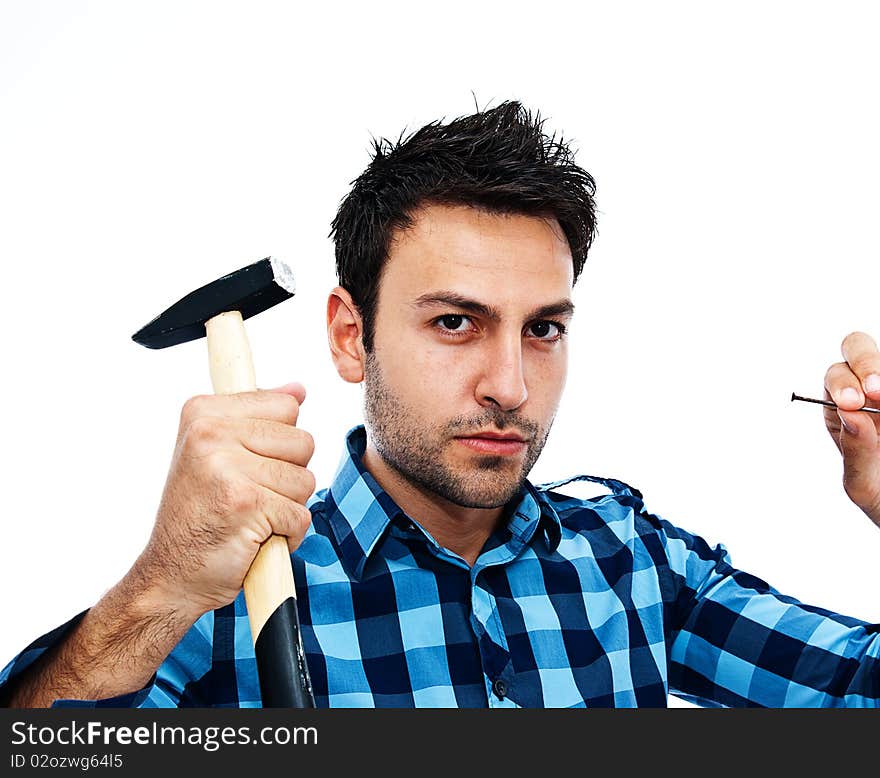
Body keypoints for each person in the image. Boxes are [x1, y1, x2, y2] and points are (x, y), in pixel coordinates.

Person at [2, 101, 879, 708]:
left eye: (543, 329)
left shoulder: (628, 561)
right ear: (352, 336)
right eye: (457, 322)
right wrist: (160, 588)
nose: (511, 384)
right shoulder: (234, 598)